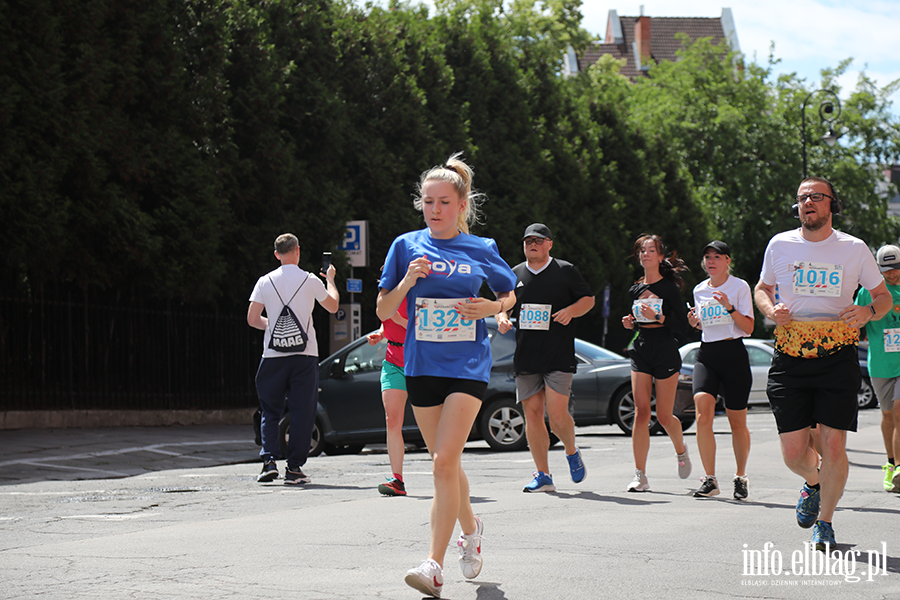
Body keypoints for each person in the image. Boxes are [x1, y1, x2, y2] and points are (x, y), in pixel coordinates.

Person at [377, 153, 516, 598]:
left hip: (467, 365)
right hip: (420, 365)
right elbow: (383, 310)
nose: (434, 209)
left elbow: (509, 294)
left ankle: (433, 565)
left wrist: (492, 307)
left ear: (460, 205)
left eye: (443, 202)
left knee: (441, 462)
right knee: (448, 463)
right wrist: (406, 284)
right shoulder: (405, 246)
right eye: (427, 202)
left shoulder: (482, 248)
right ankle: (472, 531)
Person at [754, 176, 891, 552]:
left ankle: (825, 522)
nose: (807, 202)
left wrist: (866, 311)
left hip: (837, 357)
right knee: (794, 452)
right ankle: (813, 483)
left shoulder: (853, 248)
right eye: (801, 198)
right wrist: (771, 309)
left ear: (832, 204)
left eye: (816, 196)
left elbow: (883, 299)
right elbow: (762, 289)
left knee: (833, 447)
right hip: (790, 355)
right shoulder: (779, 245)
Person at [496, 223, 594, 493]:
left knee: (557, 414)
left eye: (538, 240)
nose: (532, 245)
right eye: (528, 241)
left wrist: (571, 311)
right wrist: (501, 316)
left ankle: (572, 452)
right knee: (533, 414)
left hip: (558, 354)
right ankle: (543, 475)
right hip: (527, 356)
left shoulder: (565, 270)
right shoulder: (515, 273)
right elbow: (503, 301)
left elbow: (588, 299)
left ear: (549, 244)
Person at [247, 233, 340, 484]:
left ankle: (268, 462)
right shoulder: (310, 280)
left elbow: (252, 319)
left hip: (273, 355)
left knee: (270, 410)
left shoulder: (264, 281)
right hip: (305, 355)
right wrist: (330, 280)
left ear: (277, 254)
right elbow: (332, 306)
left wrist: (275, 326)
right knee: (302, 411)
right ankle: (294, 468)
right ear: (298, 251)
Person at [621, 234, 692, 492]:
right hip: (641, 350)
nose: (645, 254)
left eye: (651, 250)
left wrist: (660, 317)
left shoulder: (670, 289)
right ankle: (640, 475)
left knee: (663, 416)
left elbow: (684, 326)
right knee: (641, 412)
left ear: (660, 257)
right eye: (642, 250)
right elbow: (638, 320)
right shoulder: (635, 289)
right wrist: (631, 323)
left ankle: (681, 451)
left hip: (665, 352)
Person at [686, 240, 754, 499]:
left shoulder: (739, 287)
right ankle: (710, 479)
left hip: (734, 354)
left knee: (738, 422)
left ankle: (740, 476)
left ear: (727, 261)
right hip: (707, 354)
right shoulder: (699, 289)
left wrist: (729, 306)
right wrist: (695, 323)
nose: (711, 261)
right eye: (707, 257)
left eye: (717, 256)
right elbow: (706, 325)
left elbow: (748, 328)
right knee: (703, 412)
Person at [854, 244, 900, 493]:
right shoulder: (867, 293)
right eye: (886, 270)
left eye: (895, 269)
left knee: (899, 413)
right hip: (880, 364)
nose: (891, 275)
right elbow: (855, 326)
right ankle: (890, 464)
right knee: (887, 416)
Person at [365, 300, 410, 496]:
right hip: (393, 363)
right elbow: (386, 322)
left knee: (432, 420)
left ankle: (446, 475)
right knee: (392, 420)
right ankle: (397, 480)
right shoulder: (385, 295)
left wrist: (399, 319)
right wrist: (381, 333)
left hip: (419, 361)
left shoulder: (418, 289)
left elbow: (425, 327)